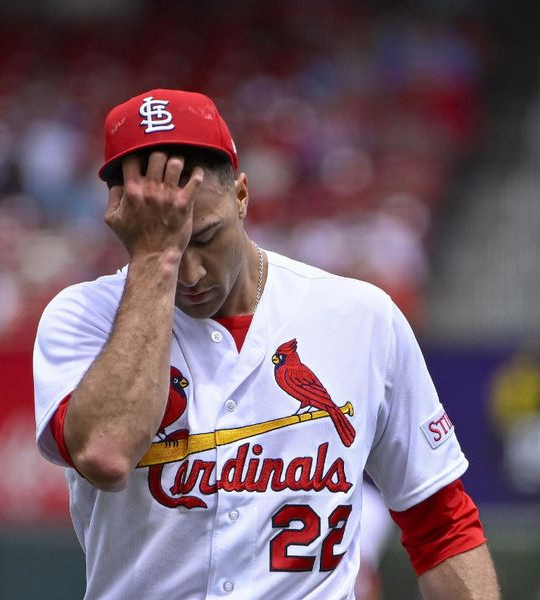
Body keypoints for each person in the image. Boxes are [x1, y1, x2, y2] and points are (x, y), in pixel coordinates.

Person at [33, 88, 499, 599]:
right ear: (123, 218)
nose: (189, 271)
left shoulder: (360, 317)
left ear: (241, 194)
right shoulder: (83, 318)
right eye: (166, 241)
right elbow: (105, 452)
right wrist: (153, 260)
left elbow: (442, 525)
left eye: (205, 236)